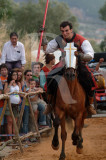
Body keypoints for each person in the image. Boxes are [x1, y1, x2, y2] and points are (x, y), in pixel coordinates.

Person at [40, 21, 96, 115]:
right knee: (50, 76)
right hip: (63, 63)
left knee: (90, 78)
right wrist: (43, 37)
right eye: (62, 31)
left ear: (71, 30)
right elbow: (47, 50)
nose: (64, 33)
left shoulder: (81, 40)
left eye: (66, 31)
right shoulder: (58, 39)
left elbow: (90, 54)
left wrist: (80, 55)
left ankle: (89, 104)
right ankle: (50, 103)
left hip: (79, 64)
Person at [4, 70, 21, 139]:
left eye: (16, 75)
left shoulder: (18, 83)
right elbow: (5, 92)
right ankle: (10, 138)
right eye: (14, 75)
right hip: (9, 104)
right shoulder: (7, 83)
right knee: (10, 121)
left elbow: (19, 92)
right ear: (10, 76)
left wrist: (19, 98)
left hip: (16, 105)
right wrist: (10, 84)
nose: (15, 76)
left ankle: (14, 137)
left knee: (15, 122)